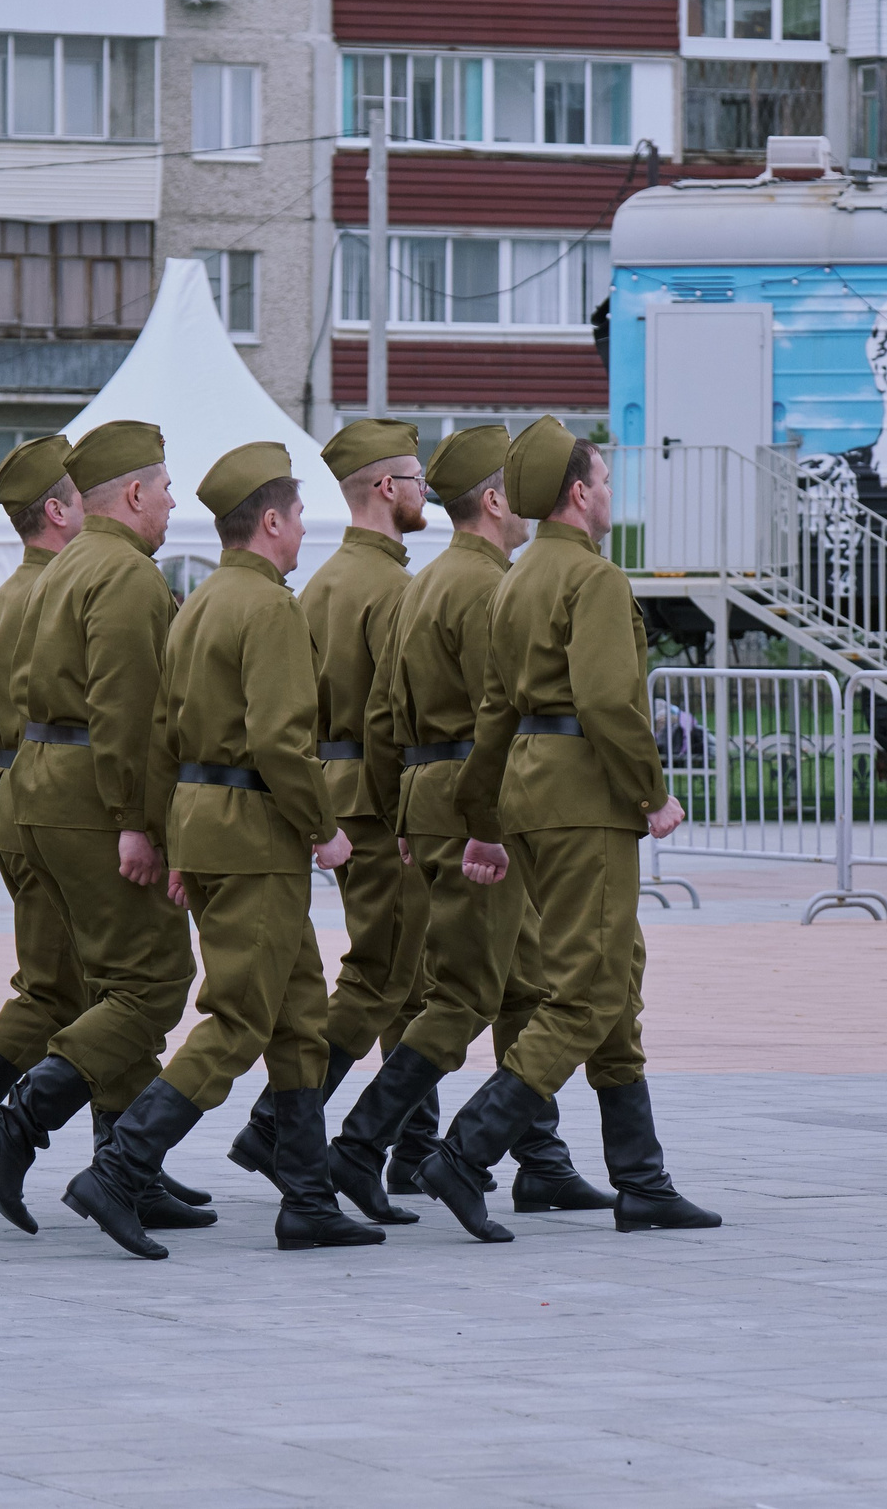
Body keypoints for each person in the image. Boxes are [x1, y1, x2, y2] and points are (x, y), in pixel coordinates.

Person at [63, 442, 385, 1260]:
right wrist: (326, 829)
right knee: (240, 1016)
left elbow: (165, 736)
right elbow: (282, 743)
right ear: (271, 520)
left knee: (301, 1014)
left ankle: (308, 1199)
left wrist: (173, 837)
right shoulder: (269, 607)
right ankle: (123, 1167)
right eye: (300, 514)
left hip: (208, 825)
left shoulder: (199, 599)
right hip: (255, 832)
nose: (304, 529)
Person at [416, 417, 719, 1243]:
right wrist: (652, 794)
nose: (612, 494)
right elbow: (611, 702)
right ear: (580, 493)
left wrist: (482, 819)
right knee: (587, 991)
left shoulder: (513, 580)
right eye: (608, 481)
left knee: (611, 976)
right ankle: (467, 1153)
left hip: (531, 791)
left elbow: (493, 712)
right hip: (586, 795)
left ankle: (642, 1182)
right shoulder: (593, 579)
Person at [0, 438, 213, 1232]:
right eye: (166, 489)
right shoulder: (110, 576)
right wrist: (141, 820)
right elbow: (127, 712)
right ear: (65, 507)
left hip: (29, 799)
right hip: (86, 804)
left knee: (75, 989)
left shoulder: (30, 587)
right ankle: (10, 1132)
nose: (173, 503)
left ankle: (121, 1164)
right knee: (132, 985)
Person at [326, 423, 615, 1223]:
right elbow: (502, 710)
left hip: (429, 790)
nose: (525, 509)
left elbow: (385, 714)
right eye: (514, 494)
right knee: (465, 993)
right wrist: (486, 815)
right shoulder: (487, 584)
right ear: (493, 501)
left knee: (521, 979)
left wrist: (398, 810)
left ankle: (541, 1158)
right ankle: (357, 1145)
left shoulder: (420, 581)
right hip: (476, 793)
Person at [225, 418, 433, 1191]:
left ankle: (407, 1147)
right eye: (415, 480)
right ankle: (281, 1128)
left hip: (337, 793)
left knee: (404, 975)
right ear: (386, 488)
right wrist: (405, 817)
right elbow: (391, 717)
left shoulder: (317, 586)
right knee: (383, 976)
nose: (424, 493)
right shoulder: (393, 588)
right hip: (380, 803)